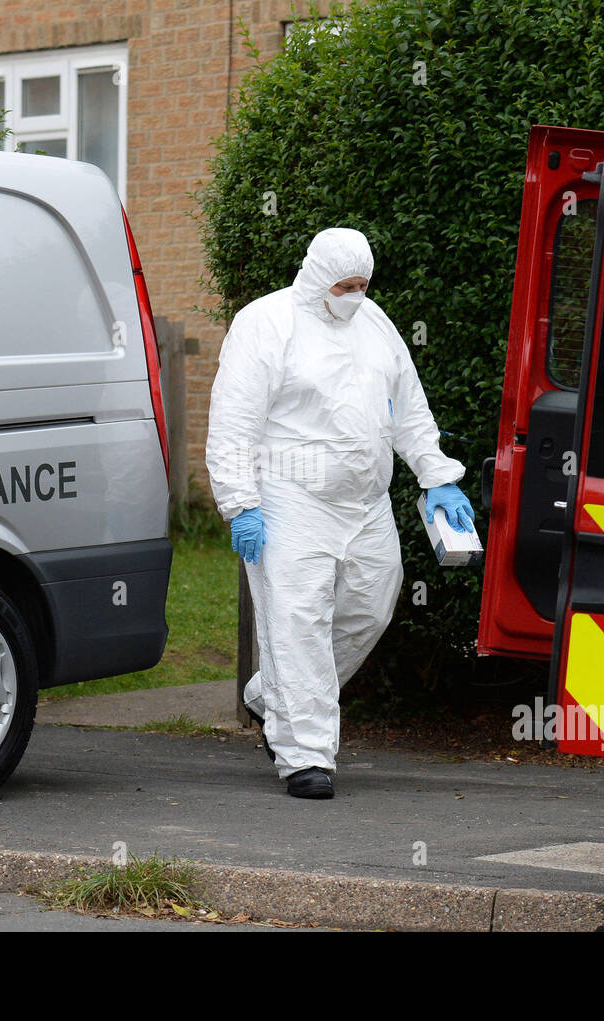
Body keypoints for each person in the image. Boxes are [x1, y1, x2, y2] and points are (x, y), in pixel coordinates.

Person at [206, 227, 475, 799]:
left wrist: (437, 474)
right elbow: (234, 420)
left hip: (365, 501)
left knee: (371, 605)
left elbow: (409, 409)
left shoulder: (374, 325)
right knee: (297, 619)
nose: (353, 295)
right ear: (316, 276)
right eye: (344, 285)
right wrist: (240, 503)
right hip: (290, 497)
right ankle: (305, 755)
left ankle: (267, 698)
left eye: (362, 285)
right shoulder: (266, 323)